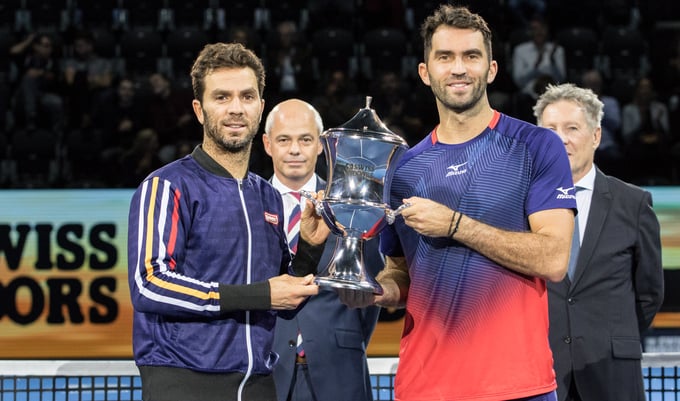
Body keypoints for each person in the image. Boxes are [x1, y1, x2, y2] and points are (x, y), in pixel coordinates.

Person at [337, 5, 576, 400]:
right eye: (445, 57)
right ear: (425, 72)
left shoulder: (536, 146)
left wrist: (455, 225)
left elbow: (553, 259)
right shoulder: (403, 169)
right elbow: (402, 275)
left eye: (471, 56)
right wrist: (376, 292)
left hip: (518, 387)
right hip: (425, 387)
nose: (459, 68)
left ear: (492, 69)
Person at [127, 42, 329, 401]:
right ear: (199, 110)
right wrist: (259, 294)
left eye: (247, 97)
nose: (236, 109)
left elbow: (286, 298)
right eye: (221, 97)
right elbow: (149, 284)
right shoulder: (167, 185)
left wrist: (311, 249)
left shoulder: (267, 196)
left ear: (260, 107)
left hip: (258, 383)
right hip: (183, 380)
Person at [533, 83, 664, 401]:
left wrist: (607, 336)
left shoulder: (633, 202)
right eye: (550, 129)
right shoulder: (520, 204)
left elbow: (649, 293)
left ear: (596, 136)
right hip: (543, 372)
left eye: (572, 128)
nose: (560, 138)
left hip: (613, 372)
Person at [263, 99, 382, 401]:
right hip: (268, 372)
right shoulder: (247, 206)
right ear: (267, 144)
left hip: (339, 368)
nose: (294, 149)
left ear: (320, 145)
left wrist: (343, 341)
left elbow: (368, 289)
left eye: (305, 139)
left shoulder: (351, 207)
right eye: (284, 140)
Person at [511, 15, 565, 97]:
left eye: (542, 28)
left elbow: (561, 79)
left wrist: (553, 61)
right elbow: (518, 81)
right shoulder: (520, 50)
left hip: (553, 92)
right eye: (535, 29)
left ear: (547, 30)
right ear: (530, 31)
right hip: (529, 94)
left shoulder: (557, 50)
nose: (539, 32)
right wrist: (535, 66)